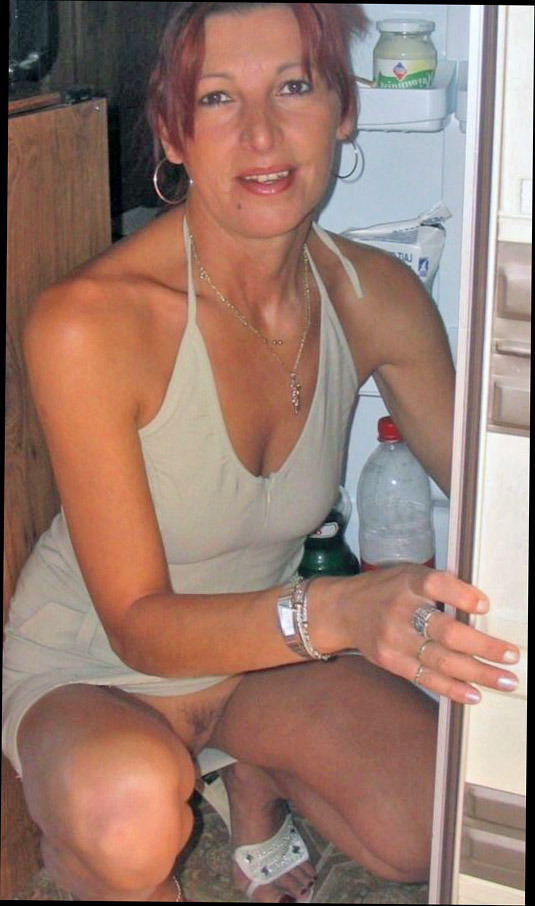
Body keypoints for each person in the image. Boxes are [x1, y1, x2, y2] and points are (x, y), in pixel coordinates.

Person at [2, 3, 520, 903]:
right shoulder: (89, 322)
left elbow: (494, 498)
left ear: (342, 109)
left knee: (429, 829)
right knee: (127, 819)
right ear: (172, 134)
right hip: (97, 668)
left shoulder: (376, 295)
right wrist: (341, 613)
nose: (261, 134)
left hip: (259, 660)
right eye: (216, 98)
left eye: (293, 86)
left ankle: (252, 777)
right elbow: (137, 624)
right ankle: (81, 853)